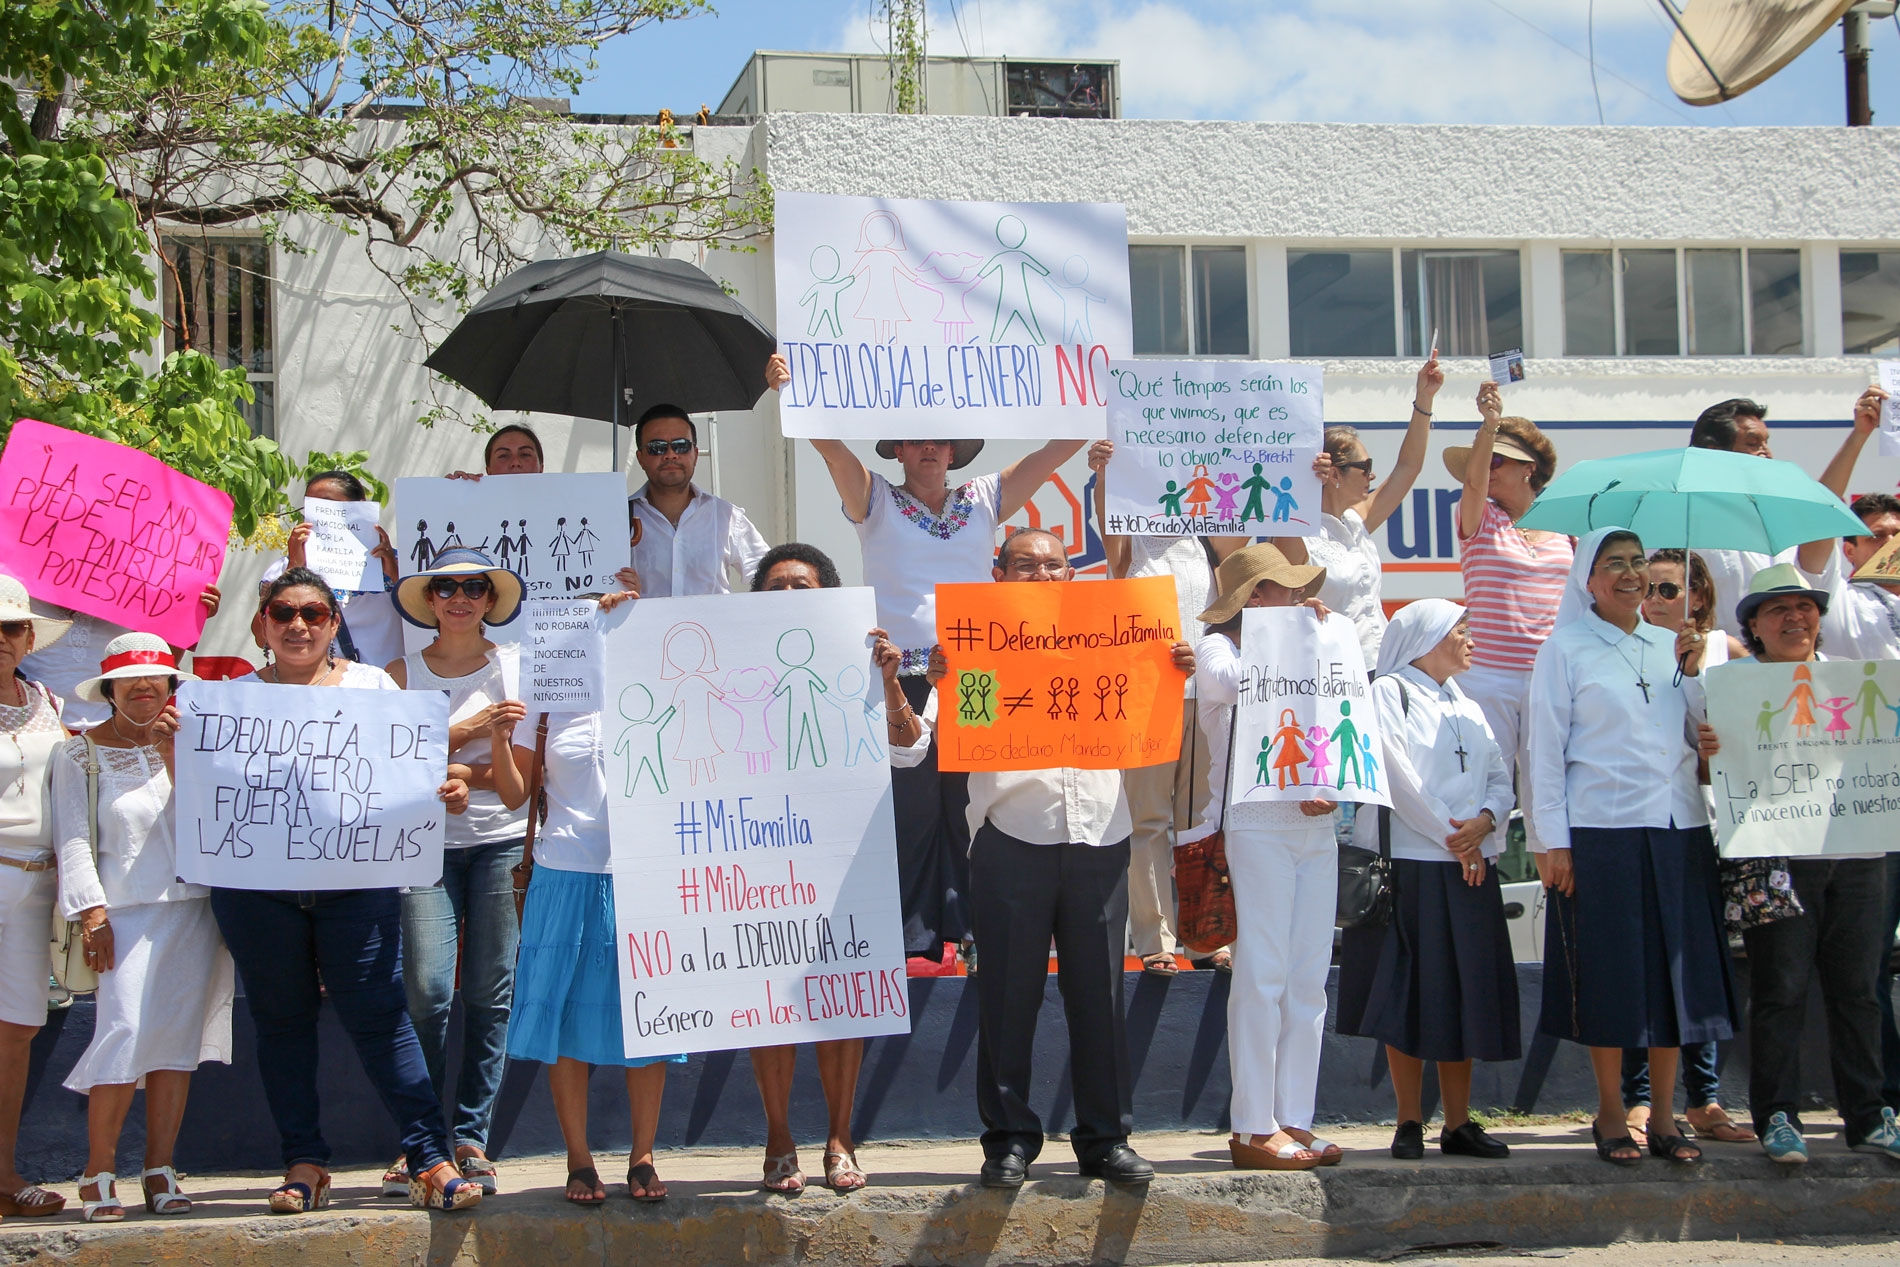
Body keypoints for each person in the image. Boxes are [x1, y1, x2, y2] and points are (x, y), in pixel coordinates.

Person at [778, 354, 1085, 964]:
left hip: (977, 677)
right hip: (900, 682)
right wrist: (794, 395)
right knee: (911, 805)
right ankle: (914, 935)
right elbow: (833, 452)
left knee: (973, 802)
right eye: (917, 440)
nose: (929, 448)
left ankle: (975, 931)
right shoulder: (875, 501)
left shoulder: (986, 496)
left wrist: (1100, 397)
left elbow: (1056, 451)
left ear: (954, 451)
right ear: (898, 450)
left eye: (940, 440)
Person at [211, 569, 481, 1213]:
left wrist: (451, 787)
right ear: (263, 626)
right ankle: (304, 1162)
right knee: (281, 1024)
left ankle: (429, 1157)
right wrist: (175, 751)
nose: (297, 624)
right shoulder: (228, 702)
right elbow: (205, 801)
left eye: (313, 612)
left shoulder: (373, 688)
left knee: (382, 1018)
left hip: (355, 885)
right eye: (283, 612)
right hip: (260, 893)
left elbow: (413, 770)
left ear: (334, 623)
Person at [951, 528, 1193, 1189]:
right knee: (1007, 997)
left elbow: (1147, 718)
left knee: (1100, 996)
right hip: (1012, 833)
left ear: (1071, 575)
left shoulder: (1112, 641)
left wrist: (1172, 669)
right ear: (998, 574)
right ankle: (1007, 1140)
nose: (1040, 575)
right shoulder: (977, 645)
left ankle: (1105, 1138)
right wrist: (955, 675)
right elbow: (958, 735)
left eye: (1053, 565)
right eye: (1024, 565)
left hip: (1100, 831)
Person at [1526, 528, 1733, 1167]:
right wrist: (1550, 842)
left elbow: (1704, 736)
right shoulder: (1565, 648)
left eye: (1637, 562)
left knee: (1675, 978)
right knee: (1611, 978)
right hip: (1601, 832)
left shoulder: (1674, 647)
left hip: (1678, 828)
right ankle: (1613, 1112)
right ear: (1588, 580)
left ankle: (1668, 1116)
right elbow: (1542, 753)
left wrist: (1698, 675)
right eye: (1613, 563)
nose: (1629, 573)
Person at [493, 577, 684, 1205]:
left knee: (649, 1019)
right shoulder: (544, 706)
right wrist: (500, 735)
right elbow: (517, 795)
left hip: (645, 875)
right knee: (563, 1018)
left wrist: (637, 610)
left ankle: (644, 1157)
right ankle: (579, 1160)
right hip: (564, 872)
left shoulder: (658, 691)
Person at [743, 543, 922, 1193]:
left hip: (845, 854)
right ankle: (779, 1134)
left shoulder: (863, 658)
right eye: (776, 586)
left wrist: (889, 679)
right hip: (759, 852)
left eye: (803, 584)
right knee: (770, 999)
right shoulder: (730, 659)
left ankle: (840, 1138)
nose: (790, 594)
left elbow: (909, 747)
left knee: (842, 994)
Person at [52, 633, 236, 1220]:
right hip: (123, 915)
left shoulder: (197, 746)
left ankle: (160, 1169)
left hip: (195, 908)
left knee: (176, 1044)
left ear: (171, 687)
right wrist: (92, 912)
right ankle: (97, 1171)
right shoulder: (79, 754)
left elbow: (216, 817)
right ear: (109, 690)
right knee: (124, 1032)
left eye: (154, 680)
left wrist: (173, 756)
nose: (143, 689)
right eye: (130, 681)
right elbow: (74, 838)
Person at [1335, 600, 1518, 1162]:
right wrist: (1455, 835)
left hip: (1466, 864)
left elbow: (1498, 774)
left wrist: (1487, 822)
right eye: (1457, 629)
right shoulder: (1388, 692)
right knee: (1408, 996)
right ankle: (1409, 1119)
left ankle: (1459, 1122)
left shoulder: (1467, 702)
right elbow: (1398, 777)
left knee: (1462, 992)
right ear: (1428, 637)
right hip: (1413, 864)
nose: (1468, 637)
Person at [1730, 564, 1900, 1163]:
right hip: (1780, 860)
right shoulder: (1733, 686)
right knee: (1780, 991)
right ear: (1753, 624)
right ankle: (1777, 1115)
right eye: (1778, 610)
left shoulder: (1859, 682)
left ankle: (1869, 1114)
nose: (1795, 618)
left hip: (1860, 854)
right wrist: (1709, 752)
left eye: (1805, 607)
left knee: (1859, 993)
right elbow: (1716, 778)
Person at [382, 549, 530, 1195]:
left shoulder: (520, 665)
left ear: (490, 599)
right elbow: (386, 763)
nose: (461, 596)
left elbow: (522, 778)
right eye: (448, 586)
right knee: (427, 991)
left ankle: (470, 1137)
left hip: (498, 845)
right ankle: (420, 1139)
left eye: (474, 586)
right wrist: (467, 728)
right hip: (421, 848)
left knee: (490, 993)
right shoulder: (397, 674)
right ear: (431, 599)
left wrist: (457, 769)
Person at [1191, 544, 1342, 1170]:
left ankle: (1295, 1119)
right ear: (1256, 599)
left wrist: (1315, 643)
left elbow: (1339, 713)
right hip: (1251, 821)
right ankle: (1253, 1125)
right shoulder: (1217, 648)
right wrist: (1294, 641)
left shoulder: (1310, 642)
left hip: (1314, 819)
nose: (1300, 598)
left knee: (1309, 975)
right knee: (1263, 974)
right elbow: (1224, 685)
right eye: (1286, 589)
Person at [1086, 441, 1241, 975]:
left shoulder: (1206, 544)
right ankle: (1155, 941)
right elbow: (1109, 531)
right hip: (1146, 700)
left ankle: (1206, 937)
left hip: (1206, 700)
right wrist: (1105, 474)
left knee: (1201, 820)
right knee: (1147, 820)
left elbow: (1237, 539)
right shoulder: (1132, 549)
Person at [1620, 549, 1753, 1147]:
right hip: (1655, 825)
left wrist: (1715, 739)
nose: (1655, 599)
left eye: (1669, 590)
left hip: (1722, 828)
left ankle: (1705, 1098)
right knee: (1645, 965)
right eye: (1648, 588)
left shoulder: (1730, 654)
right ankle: (1641, 1099)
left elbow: (1753, 747)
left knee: (1702, 966)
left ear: (1698, 596)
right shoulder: (1632, 652)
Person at [1451, 382, 1570, 857]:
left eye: (1499, 459)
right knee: (1487, 790)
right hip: (1489, 677)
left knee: (1548, 791)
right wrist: (1487, 427)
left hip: (1549, 677)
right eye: (1487, 459)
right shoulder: (1478, 517)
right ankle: (1481, 899)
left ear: (1530, 470)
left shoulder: (1565, 528)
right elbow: (1474, 483)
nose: (1486, 469)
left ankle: (1558, 896)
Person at [1274, 352, 1443, 667]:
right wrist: (1299, 481)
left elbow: (1408, 467)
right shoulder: (1299, 534)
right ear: (1334, 474)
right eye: (1365, 467)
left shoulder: (1356, 520)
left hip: (1380, 666)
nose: (1372, 475)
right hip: (1330, 670)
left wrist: (1424, 399)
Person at [0, 575, 69, 1219]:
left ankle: (2, 1172)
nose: (0, 640)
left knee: (17, 1030)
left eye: (10, 628)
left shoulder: (47, 698)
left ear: (27, 638)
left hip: (36, 881)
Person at [22, 587, 222, 733]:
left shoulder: (137, 583)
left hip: (122, 726)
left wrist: (189, 616)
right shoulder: (16, 583)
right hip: (31, 726)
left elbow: (157, 665)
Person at [258, 470, 403, 671]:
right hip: (316, 689)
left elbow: (430, 625)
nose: (317, 514)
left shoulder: (403, 565)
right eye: (311, 506)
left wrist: (396, 575)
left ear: (359, 507)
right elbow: (260, 636)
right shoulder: (282, 569)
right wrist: (294, 568)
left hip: (384, 690)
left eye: (326, 505)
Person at [626, 403, 770, 597]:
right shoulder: (617, 520)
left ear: (695, 454)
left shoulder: (726, 517)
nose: (670, 454)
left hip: (716, 628)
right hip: (643, 627)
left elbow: (771, 575)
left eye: (681, 446)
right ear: (641, 458)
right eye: (657, 448)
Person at [447, 424, 545, 480]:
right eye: (504, 456)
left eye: (525, 454)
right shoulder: (472, 504)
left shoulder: (558, 502)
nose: (515, 463)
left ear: (541, 468)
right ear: (488, 470)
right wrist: (450, 494)